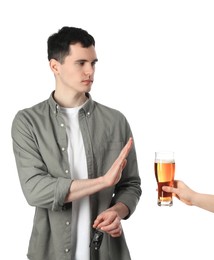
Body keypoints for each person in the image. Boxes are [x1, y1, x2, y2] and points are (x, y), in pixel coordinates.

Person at [11, 26, 142, 260]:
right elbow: (35, 190)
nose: (90, 71)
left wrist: (117, 211)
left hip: (107, 252)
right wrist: (103, 182)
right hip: (50, 253)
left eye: (93, 63)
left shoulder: (115, 121)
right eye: (81, 63)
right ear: (55, 66)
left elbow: (130, 185)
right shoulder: (28, 122)